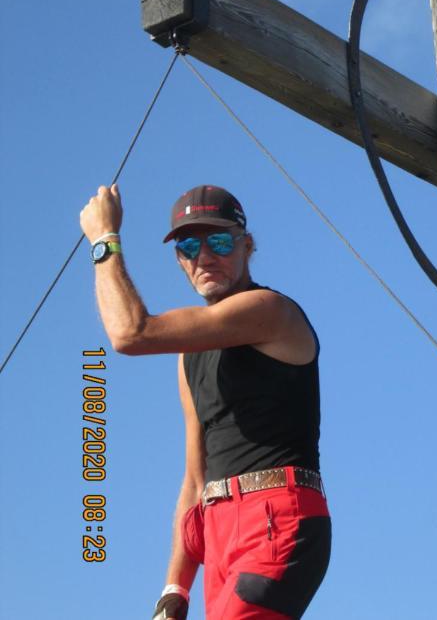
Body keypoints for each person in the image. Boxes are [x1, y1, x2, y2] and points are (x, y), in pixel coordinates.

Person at [80, 183, 331, 620]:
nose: (203, 256)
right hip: (216, 532)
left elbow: (130, 333)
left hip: (278, 520)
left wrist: (104, 239)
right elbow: (195, 479)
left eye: (218, 241)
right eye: (188, 246)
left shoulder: (270, 310)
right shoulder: (188, 356)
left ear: (246, 246)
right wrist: (174, 589)